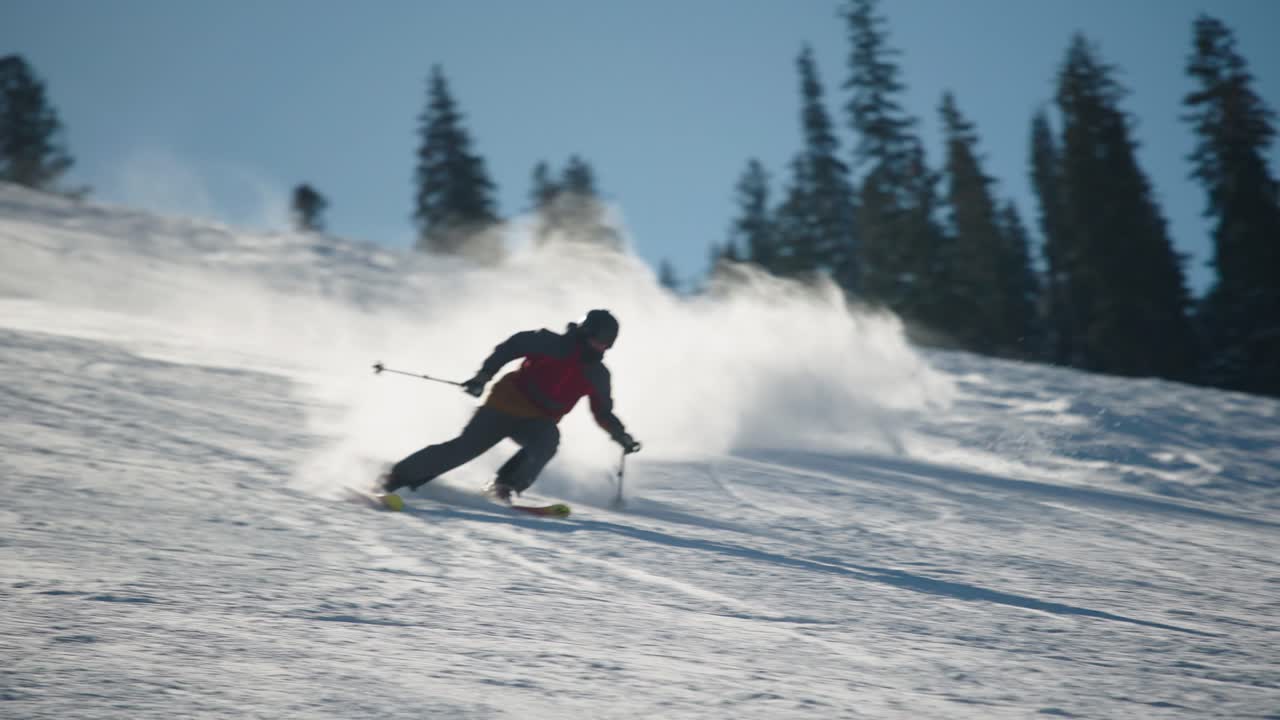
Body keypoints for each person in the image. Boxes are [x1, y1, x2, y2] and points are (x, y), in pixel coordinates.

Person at [381, 309, 641, 502]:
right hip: (505, 405)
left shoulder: (597, 374)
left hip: (538, 420)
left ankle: (503, 486)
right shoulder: (551, 343)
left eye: (608, 342)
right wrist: (483, 376)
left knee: (547, 441)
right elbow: (510, 347)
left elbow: (602, 411)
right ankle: (396, 477)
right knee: (464, 449)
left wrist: (620, 435)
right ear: (586, 331)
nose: (602, 346)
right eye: (600, 339)